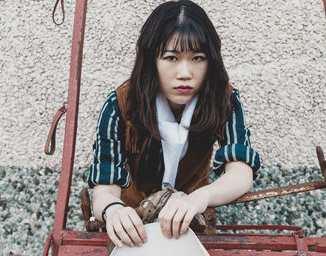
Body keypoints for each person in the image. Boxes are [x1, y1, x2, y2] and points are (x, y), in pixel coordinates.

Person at [87, 0, 260, 249]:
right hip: (132, 227)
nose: (185, 73)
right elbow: (105, 189)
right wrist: (113, 211)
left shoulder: (222, 99)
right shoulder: (121, 105)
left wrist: (200, 198)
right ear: (151, 60)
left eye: (197, 58)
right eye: (171, 57)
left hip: (189, 221)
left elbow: (241, 173)